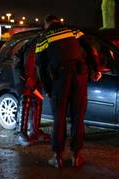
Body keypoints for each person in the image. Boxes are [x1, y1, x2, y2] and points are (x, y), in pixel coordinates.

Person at [35, 15, 101, 168]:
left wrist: (48, 89)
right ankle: (76, 156)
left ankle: (57, 157)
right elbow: (91, 48)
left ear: (47, 25)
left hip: (60, 78)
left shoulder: (44, 38)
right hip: (80, 74)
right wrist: (96, 68)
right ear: (59, 22)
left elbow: (40, 68)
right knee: (78, 116)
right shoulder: (73, 31)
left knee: (60, 116)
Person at [17, 44, 51, 145]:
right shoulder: (35, 45)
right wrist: (29, 78)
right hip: (26, 74)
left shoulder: (47, 44)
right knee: (26, 99)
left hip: (36, 74)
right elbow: (29, 62)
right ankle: (21, 133)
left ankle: (34, 130)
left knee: (38, 100)